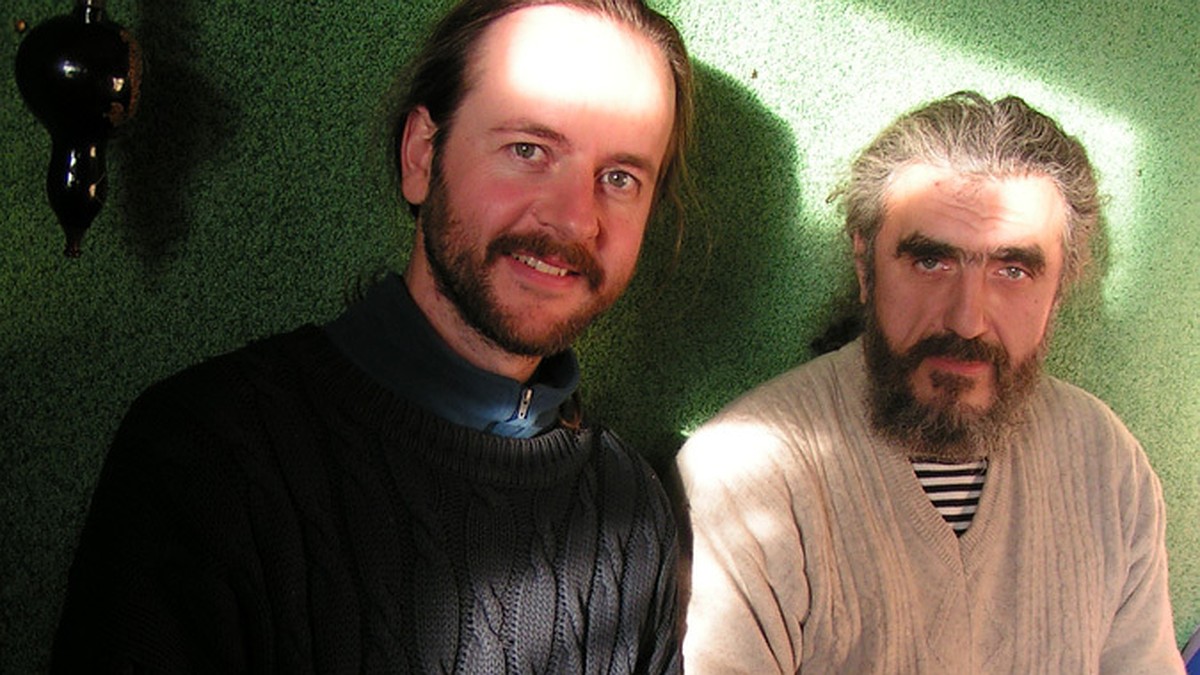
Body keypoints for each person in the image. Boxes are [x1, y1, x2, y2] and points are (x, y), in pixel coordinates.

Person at [52, 0, 694, 672]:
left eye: (619, 178)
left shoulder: (632, 513)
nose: (576, 218)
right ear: (421, 155)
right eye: (529, 150)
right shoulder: (203, 454)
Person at [675, 91, 1184, 673]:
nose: (967, 319)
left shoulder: (1104, 462)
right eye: (931, 262)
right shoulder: (746, 472)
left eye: (1012, 270)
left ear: (1061, 285)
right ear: (865, 264)